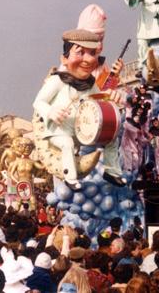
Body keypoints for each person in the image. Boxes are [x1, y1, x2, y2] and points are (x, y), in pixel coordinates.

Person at [32, 29, 125, 190]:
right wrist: (51, 112)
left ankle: (112, 171)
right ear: (64, 58)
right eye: (80, 53)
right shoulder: (58, 81)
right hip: (59, 132)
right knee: (67, 143)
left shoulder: (90, 84)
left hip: (82, 132)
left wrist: (111, 97)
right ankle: (71, 178)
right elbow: (38, 102)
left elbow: (99, 99)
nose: (88, 59)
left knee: (111, 138)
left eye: (92, 54)